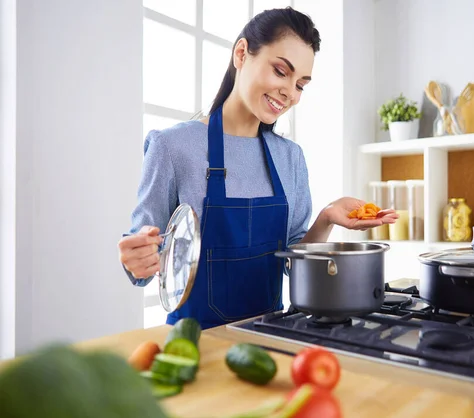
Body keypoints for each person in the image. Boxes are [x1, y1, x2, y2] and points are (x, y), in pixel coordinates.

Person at [118, 7, 398, 330]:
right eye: (281, 72)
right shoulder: (172, 147)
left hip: (271, 343)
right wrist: (137, 260)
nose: (290, 94)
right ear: (241, 53)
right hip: (194, 347)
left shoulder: (290, 158)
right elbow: (141, 262)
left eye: (301, 84)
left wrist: (327, 217)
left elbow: (295, 263)